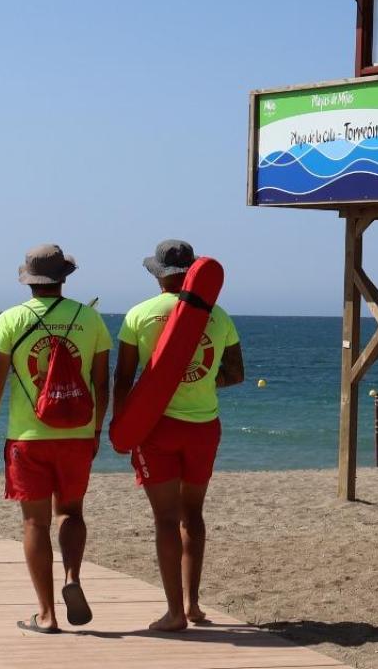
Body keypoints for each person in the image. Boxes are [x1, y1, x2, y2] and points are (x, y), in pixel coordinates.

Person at [0, 243, 111, 635]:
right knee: (71, 512)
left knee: (35, 524)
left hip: (27, 436)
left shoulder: (11, 320)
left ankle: (47, 614)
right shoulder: (90, 319)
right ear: (64, 277)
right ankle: (72, 575)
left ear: (29, 280)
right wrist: (97, 428)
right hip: (77, 435)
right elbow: (102, 384)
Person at [114, 239, 243, 632]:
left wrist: (122, 427)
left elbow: (123, 379)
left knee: (166, 520)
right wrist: (202, 381)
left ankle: (174, 613)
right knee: (194, 516)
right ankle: (193, 605)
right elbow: (236, 373)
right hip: (204, 427)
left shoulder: (139, 315)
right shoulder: (218, 316)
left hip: (157, 429)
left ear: (157, 275)